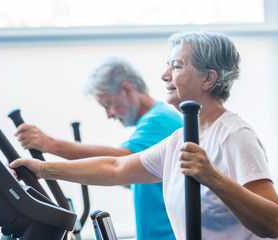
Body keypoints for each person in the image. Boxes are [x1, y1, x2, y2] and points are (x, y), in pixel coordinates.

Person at [10, 31, 278, 240]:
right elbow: (116, 167)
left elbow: (272, 222)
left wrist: (213, 177)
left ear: (208, 79)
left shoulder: (234, 135)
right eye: (168, 65)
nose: (164, 75)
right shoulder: (180, 139)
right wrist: (42, 169)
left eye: (177, 66)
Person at [14, 57, 182, 240]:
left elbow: (119, 163)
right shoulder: (153, 122)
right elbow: (135, 176)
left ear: (127, 89)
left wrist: (49, 145)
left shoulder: (159, 119)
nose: (109, 115)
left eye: (108, 104)